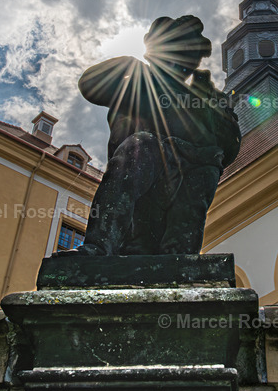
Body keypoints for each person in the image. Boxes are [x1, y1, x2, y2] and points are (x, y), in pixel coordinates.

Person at [71, 15, 241, 255]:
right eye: (180, 48)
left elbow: (229, 147)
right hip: (137, 197)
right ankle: (98, 247)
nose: (188, 58)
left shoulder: (205, 96)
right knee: (143, 145)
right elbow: (89, 84)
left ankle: (179, 260)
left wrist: (210, 110)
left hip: (182, 194)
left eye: (192, 52)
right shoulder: (137, 76)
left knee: (206, 165)